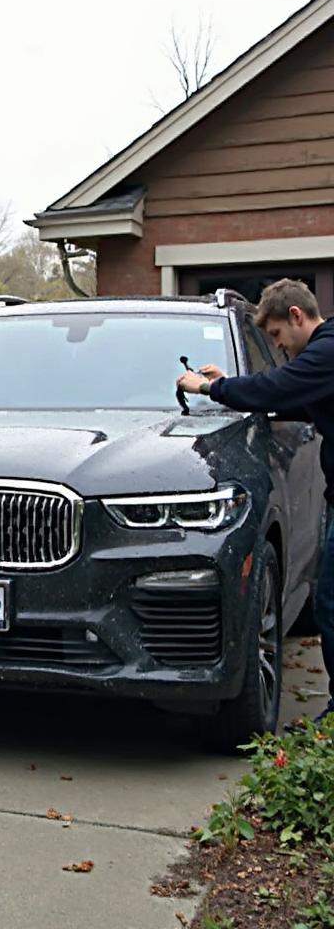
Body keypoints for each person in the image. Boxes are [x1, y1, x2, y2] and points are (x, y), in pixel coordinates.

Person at [177, 278, 334, 724]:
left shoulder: (325, 353)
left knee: (330, 604)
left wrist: (211, 390)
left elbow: (278, 390)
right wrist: (233, 384)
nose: (279, 347)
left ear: (297, 317)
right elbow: (294, 400)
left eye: (277, 336)